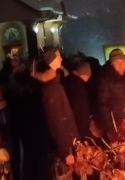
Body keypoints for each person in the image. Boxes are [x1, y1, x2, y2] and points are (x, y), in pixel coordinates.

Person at [30, 47, 78, 179]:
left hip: (61, 145)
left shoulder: (54, 82)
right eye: (58, 56)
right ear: (51, 61)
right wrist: (65, 151)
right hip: (58, 149)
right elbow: (56, 120)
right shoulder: (50, 87)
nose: (61, 59)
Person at [97, 48, 125, 141]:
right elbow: (103, 106)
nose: (120, 64)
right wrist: (111, 128)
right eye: (117, 62)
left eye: (122, 61)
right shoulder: (106, 80)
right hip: (118, 124)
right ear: (112, 64)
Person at [62, 59, 92, 138]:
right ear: (83, 74)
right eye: (87, 77)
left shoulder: (68, 81)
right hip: (78, 127)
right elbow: (77, 109)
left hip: (71, 126)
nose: (88, 79)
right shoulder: (78, 87)